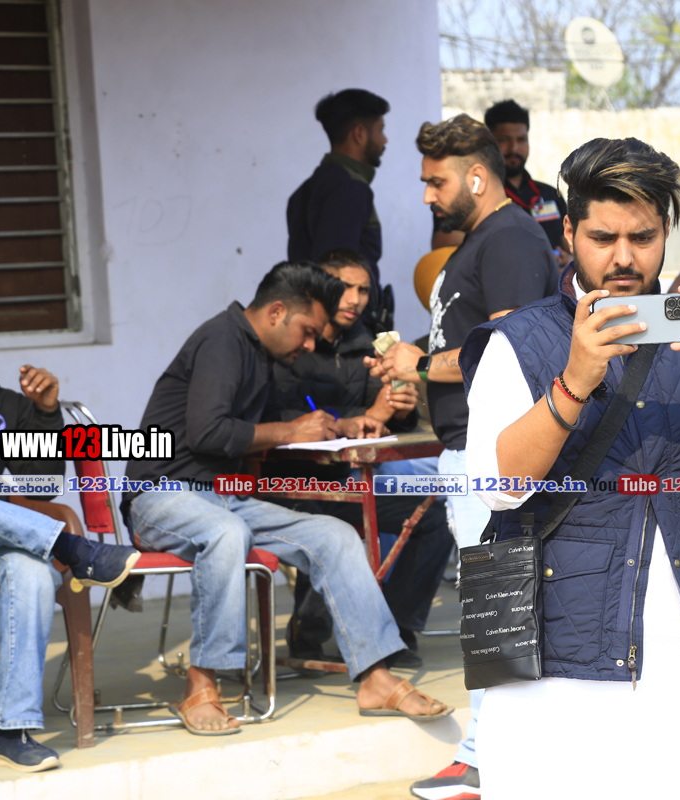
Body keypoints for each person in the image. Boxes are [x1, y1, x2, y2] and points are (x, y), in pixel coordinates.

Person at [457, 137, 680, 800]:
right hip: (553, 678)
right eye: (603, 237)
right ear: (568, 233)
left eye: (643, 237)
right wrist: (573, 380)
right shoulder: (518, 343)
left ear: (667, 233)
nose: (624, 257)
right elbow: (497, 488)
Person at [122, 262, 451, 735]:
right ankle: (200, 684)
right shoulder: (222, 339)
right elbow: (208, 431)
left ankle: (376, 677)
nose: (311, 344)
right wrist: (289, 430)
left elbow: (277, 417)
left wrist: (342, 424)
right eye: (308, 331)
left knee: (335, 536)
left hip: (228, 499)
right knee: (226, 533)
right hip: (163, 495)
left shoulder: (261, 354)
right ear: (276, 312)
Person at [375, 114, 557, 800]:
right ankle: (489, 758)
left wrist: (422, 364)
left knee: (497, 609)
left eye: (436, 181)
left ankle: (485, 763)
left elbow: (512, 351)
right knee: (494, 609)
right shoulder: (484, 241)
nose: (427, 195)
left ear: (476, 177)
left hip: (494, 457)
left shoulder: (509, 238)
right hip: (469, 454)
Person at [0, 275, 139, 771]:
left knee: (32, 572)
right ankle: (72, 549)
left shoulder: (10, 406)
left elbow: (40, 489)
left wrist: (44, 416)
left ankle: (11, 729)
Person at [266, 248, 453, 669]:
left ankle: (397, 627)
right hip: (288, 483)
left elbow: (381, 414)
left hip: (347, 478)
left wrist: (400, 407)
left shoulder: (366, 342)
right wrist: (362, 416)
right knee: (334, 527)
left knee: (434, 517)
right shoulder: (290, 342)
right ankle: (309, 628)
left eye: (364, 290)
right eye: (345, 288)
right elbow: (280, 413)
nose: (355, 299)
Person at [287, 88, 392, 330]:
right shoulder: (349, 189)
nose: (384, 140)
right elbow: (337, 274)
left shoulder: (307, 188)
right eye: (380, 130)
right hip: (343, 334)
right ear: (359, 134)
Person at [431, 99, 569, 265]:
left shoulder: (549, 194)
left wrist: (569, 262)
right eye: (504, 139)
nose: (514, 148)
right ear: (489, 143)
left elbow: (572, 245)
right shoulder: (471, 193)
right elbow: (444, 246)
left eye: (521, 139)